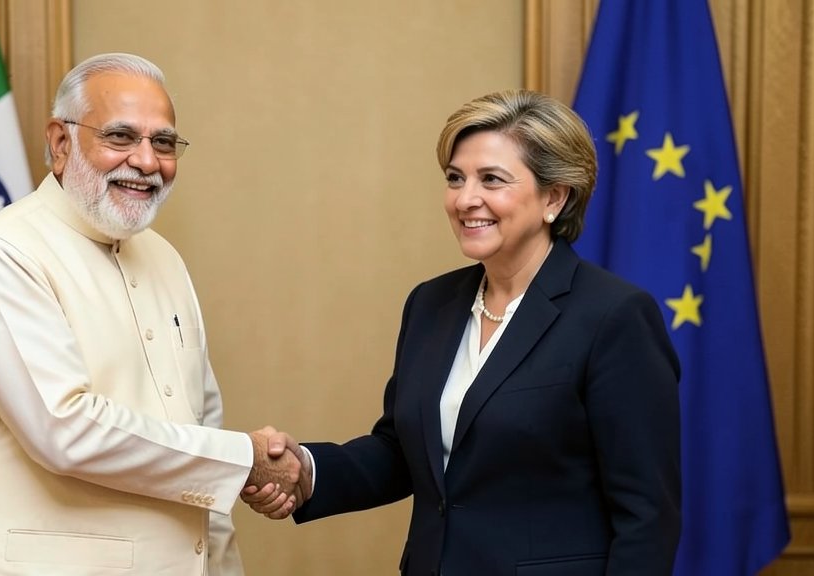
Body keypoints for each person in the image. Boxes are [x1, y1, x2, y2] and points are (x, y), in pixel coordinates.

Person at [244, 89, 681, 575]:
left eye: (491, 180)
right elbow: (401, 452)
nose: (465, 199)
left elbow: (647, 515)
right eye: (456, 178)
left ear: (554, 197)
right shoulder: (431, 304)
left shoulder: (614, 316)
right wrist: (306, 470)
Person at [0, 53, 307, 576]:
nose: (147, 162)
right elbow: (67, 429)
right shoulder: (0, 254)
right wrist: (244, 460)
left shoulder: (165, 258)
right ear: (61, 143)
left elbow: (199, 424)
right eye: (121, 137)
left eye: (164, 142)